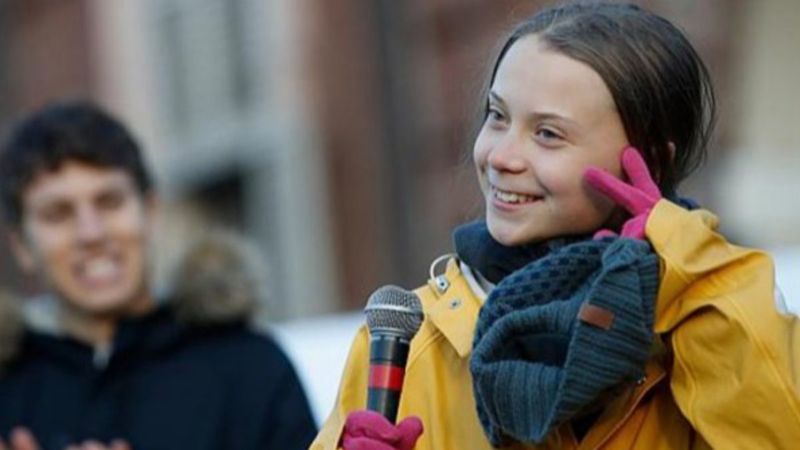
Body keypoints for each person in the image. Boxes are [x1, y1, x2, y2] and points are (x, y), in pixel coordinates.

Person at [311, 2, 800, 449]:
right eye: (497, 116)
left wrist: (691, 268)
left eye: (548, 134)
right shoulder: (407, 346)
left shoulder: (719, 313)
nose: (501, 156)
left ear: (648, 160)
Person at [0, 101, 317, 450]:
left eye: (109, 202)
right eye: (58, 214)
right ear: (21, 245)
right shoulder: (8, 388)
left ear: (150, 212)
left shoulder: (250, 369)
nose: (90, 233)